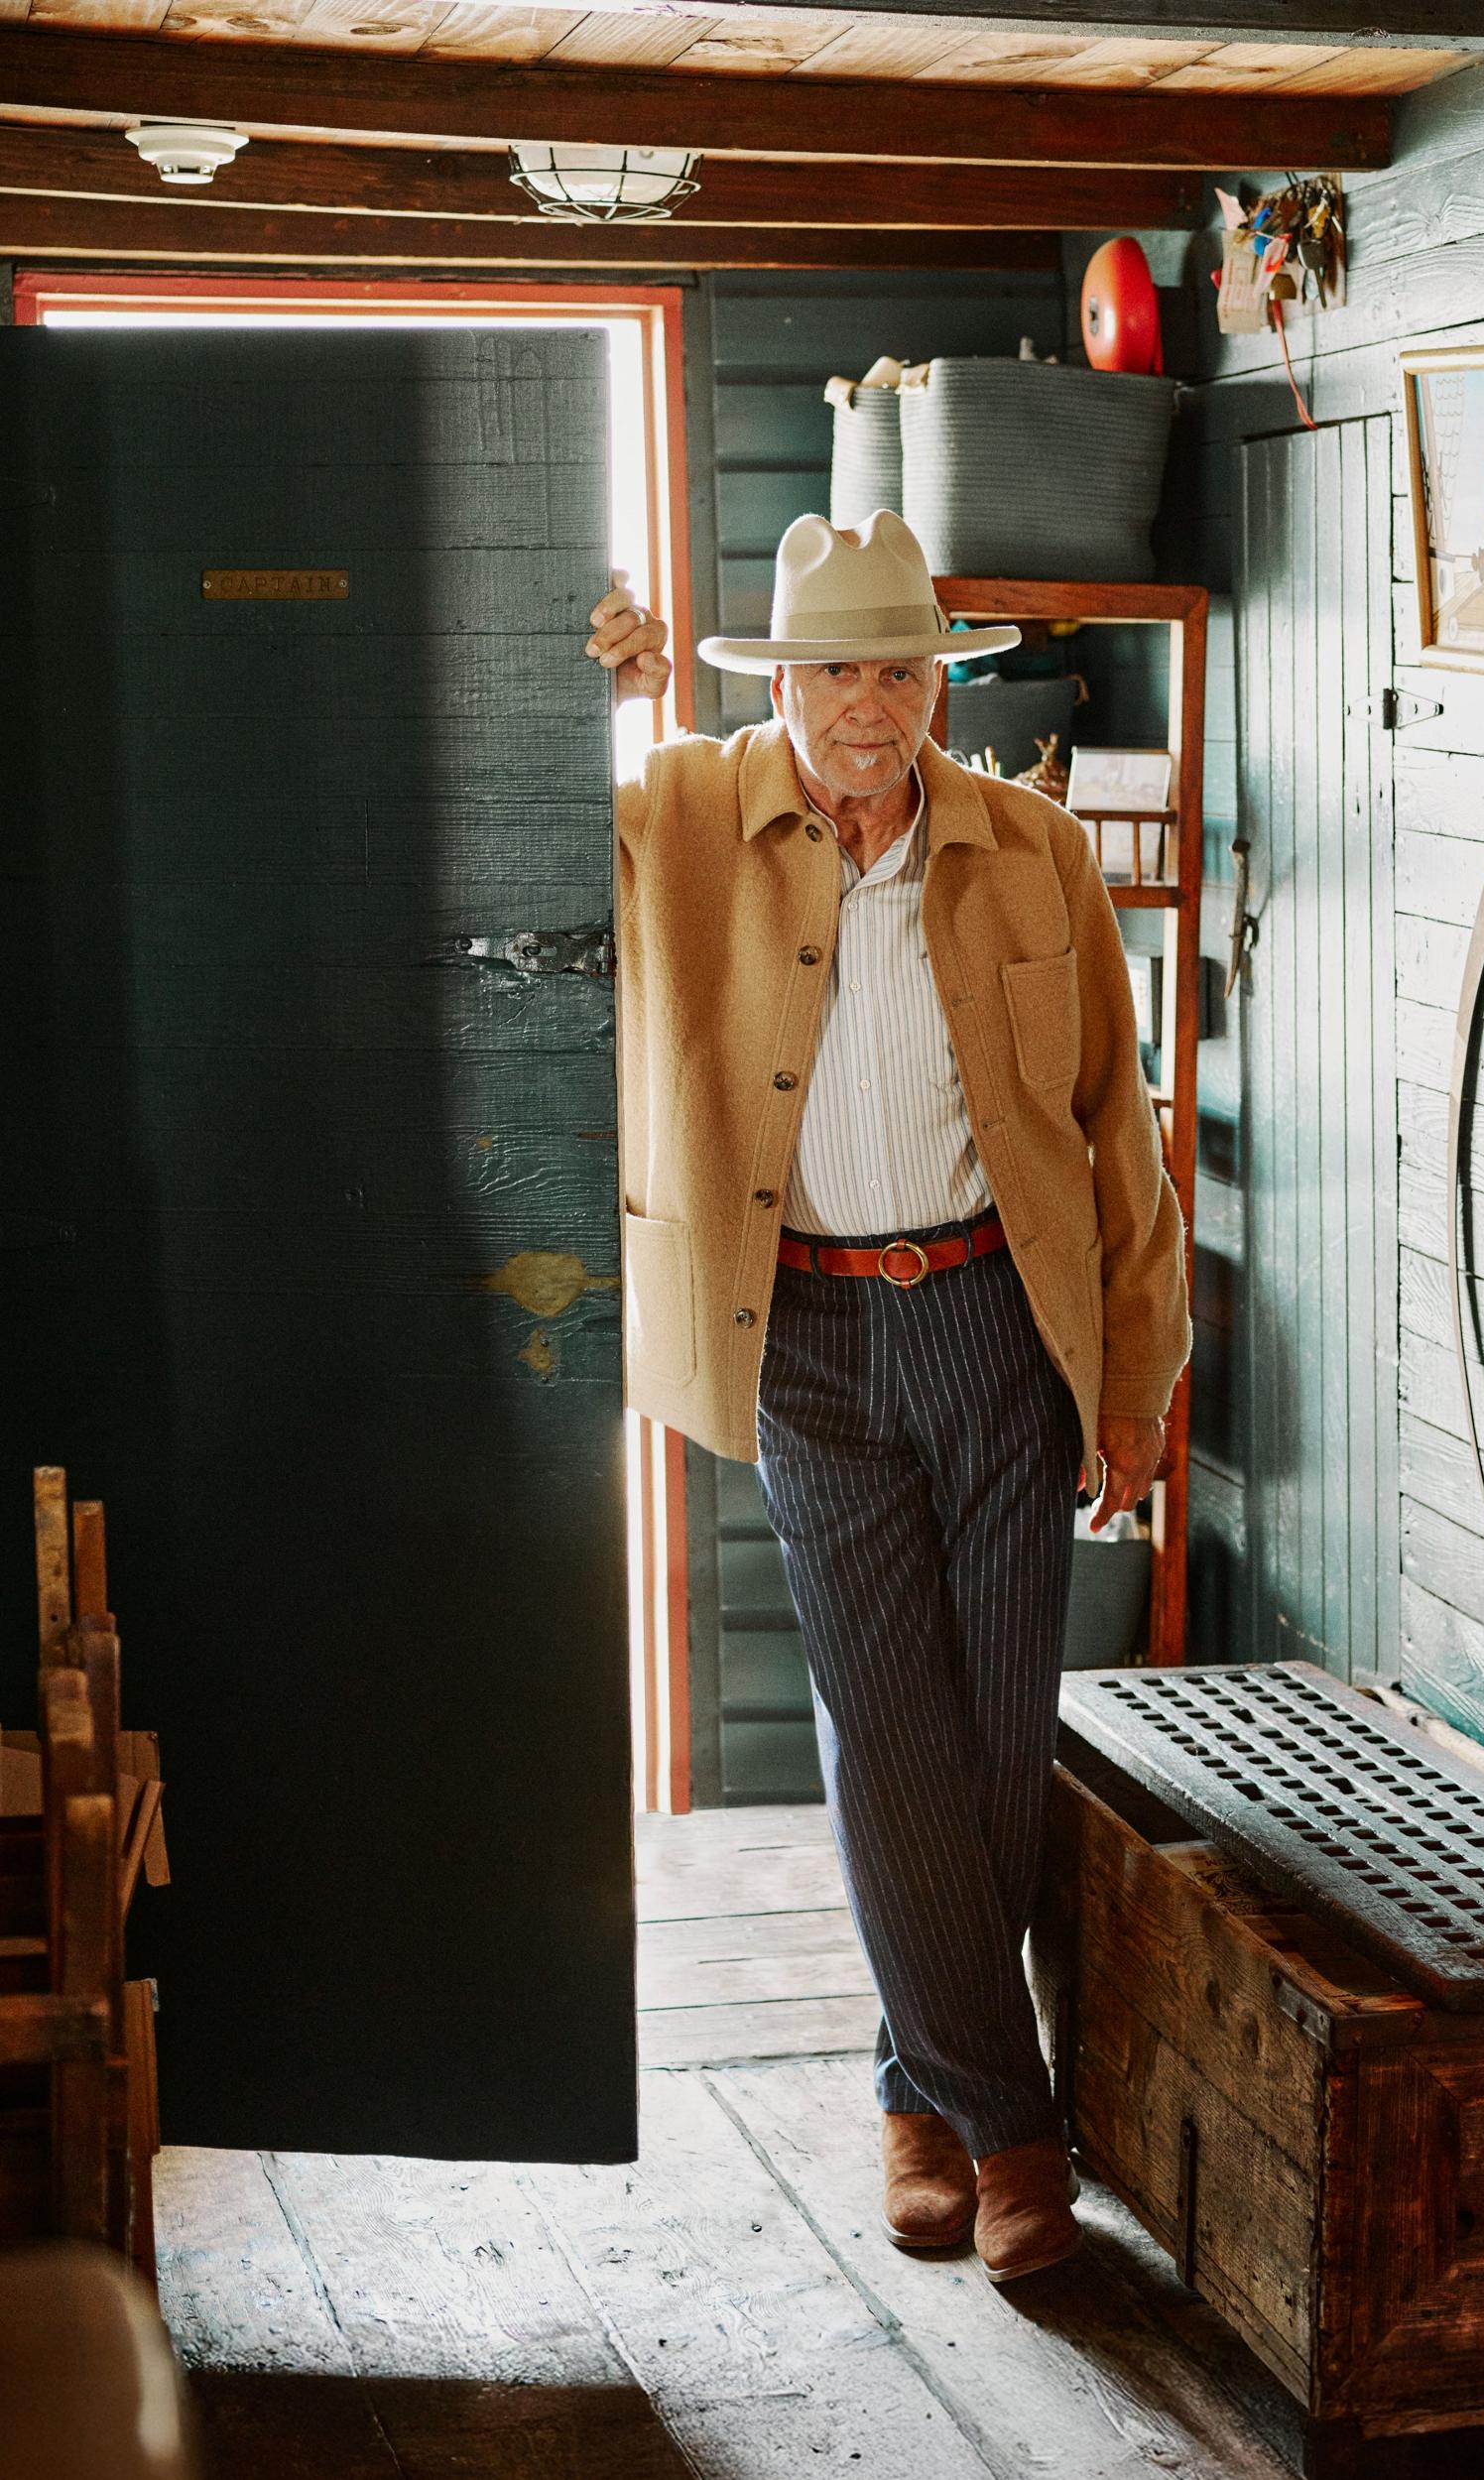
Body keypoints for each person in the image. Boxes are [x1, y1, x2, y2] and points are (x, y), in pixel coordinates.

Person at [586, 510, 1189, 2286]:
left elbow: (1119, 1128)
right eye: (838, 669)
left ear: (942, 681)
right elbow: (507, 836)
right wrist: (585, 682)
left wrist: (1136, 1376)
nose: (872, 705)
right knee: (886, 1714)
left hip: (1004, 1322)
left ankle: (911, 2091)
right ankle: (1012, 2132)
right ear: (783, 683)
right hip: (812, 1340)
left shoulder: (1034, 846)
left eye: (903, 670)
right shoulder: (682, 814)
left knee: (992, 1733)